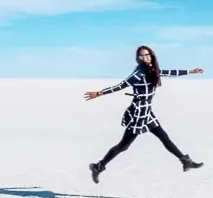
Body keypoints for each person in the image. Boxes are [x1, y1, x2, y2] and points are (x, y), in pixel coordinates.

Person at [83, 45, 204, 183]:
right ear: (138, 58)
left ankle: (185, 161)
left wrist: (190, 71)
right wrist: (99, 93)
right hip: (138, 113)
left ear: (151, 55)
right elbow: (120, 85)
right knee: (124, 145)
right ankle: (98, 167)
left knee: (164, 137)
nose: (145, 58)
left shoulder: (153, 70)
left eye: (147, 55)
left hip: (147, 112)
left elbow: (170, 72)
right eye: (142, 56)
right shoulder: (138, 74)